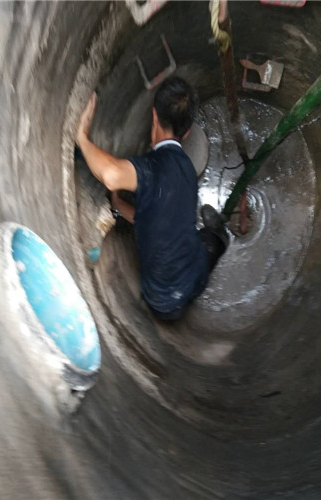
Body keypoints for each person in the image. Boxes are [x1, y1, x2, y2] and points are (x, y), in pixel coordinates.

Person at [76, 76, 228, 320]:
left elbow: (112, 175)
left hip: (159, 302)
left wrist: (82, 139)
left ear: (154, 117)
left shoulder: (150, 166)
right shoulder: (188, 171)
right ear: (187, 133)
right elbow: (151, 217)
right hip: (192, 283)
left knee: (198, 237)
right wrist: (118, 205)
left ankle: (217, 234)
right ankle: (220, 235)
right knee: (210, 240)